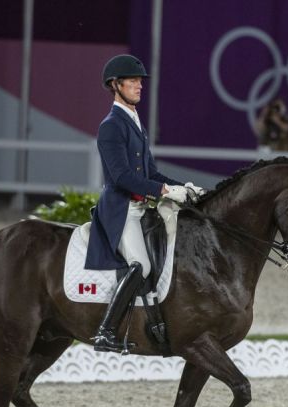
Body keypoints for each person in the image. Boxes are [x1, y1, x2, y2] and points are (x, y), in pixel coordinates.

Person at [85, 54, 203, 353]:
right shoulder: (111, 126)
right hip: (121, 211)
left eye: (140, 81)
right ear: (116, 85)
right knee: (141, 264)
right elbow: (123, 177)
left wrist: (181, 187)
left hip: (141, 210)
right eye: (133, 81)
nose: (140, 86)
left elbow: (150, 173)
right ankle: (105, 332)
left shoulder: (135, 123)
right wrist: (164, 189)